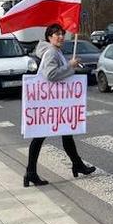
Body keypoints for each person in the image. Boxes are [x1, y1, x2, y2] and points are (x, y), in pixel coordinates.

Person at [24, 24, 96, 187]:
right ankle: (30, 173)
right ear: (49, 37)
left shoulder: (55, 51)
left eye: (62, 34)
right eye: (57, 34)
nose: (61, 37)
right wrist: (70, 66)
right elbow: (51, 75)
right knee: (39, 137)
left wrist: (70, 67)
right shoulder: (51, 52)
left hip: (55, 103)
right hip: (49, 103)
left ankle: (77, 164)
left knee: (66, 133)